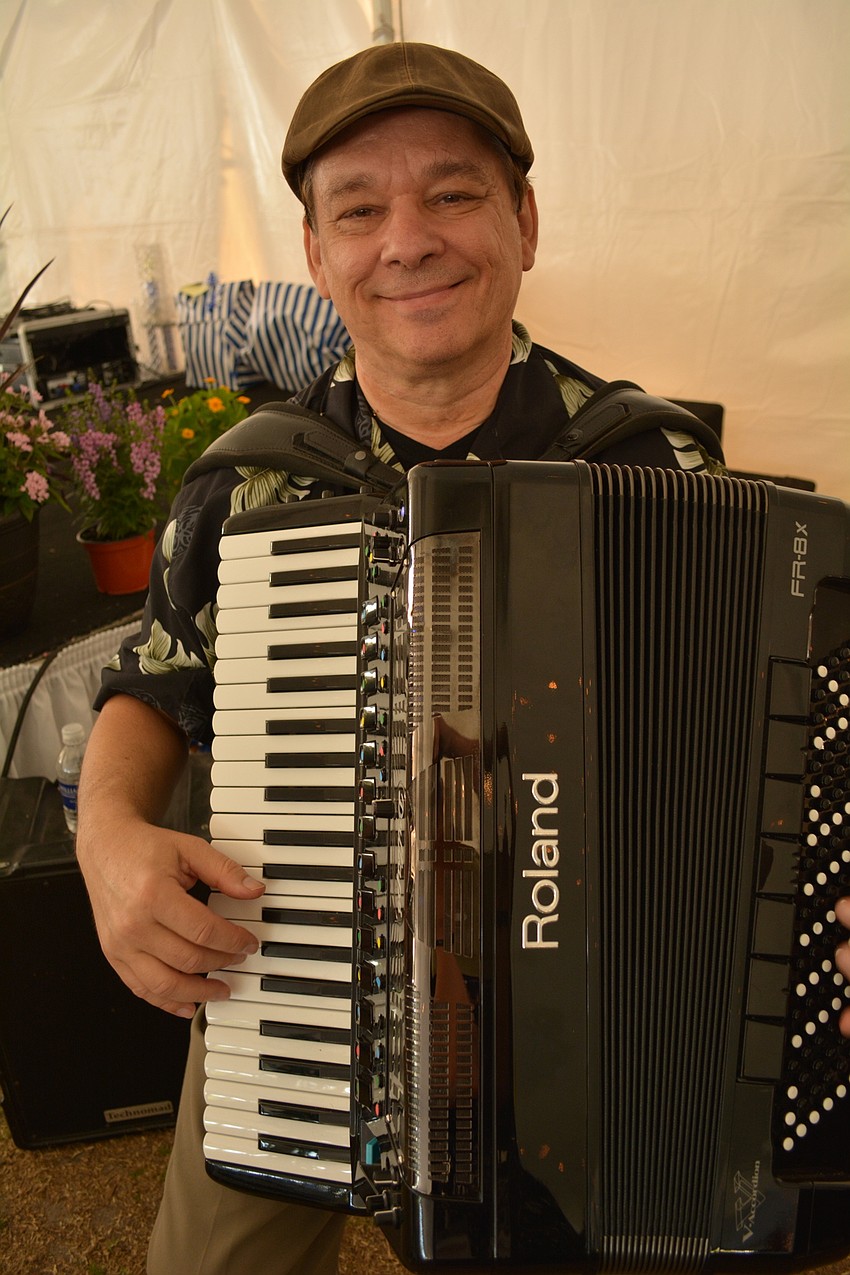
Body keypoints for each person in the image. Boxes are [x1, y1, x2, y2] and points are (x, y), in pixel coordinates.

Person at [75, 40, 850, 1275]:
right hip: (291, 973)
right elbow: (155, 685)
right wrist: (104, 835)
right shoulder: (248, 480)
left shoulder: (650, 468)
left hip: (585, 1005)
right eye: (359, 209)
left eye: (452, 192)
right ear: (318, 253)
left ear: (523, 220)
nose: (408, 239)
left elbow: (792, 731)